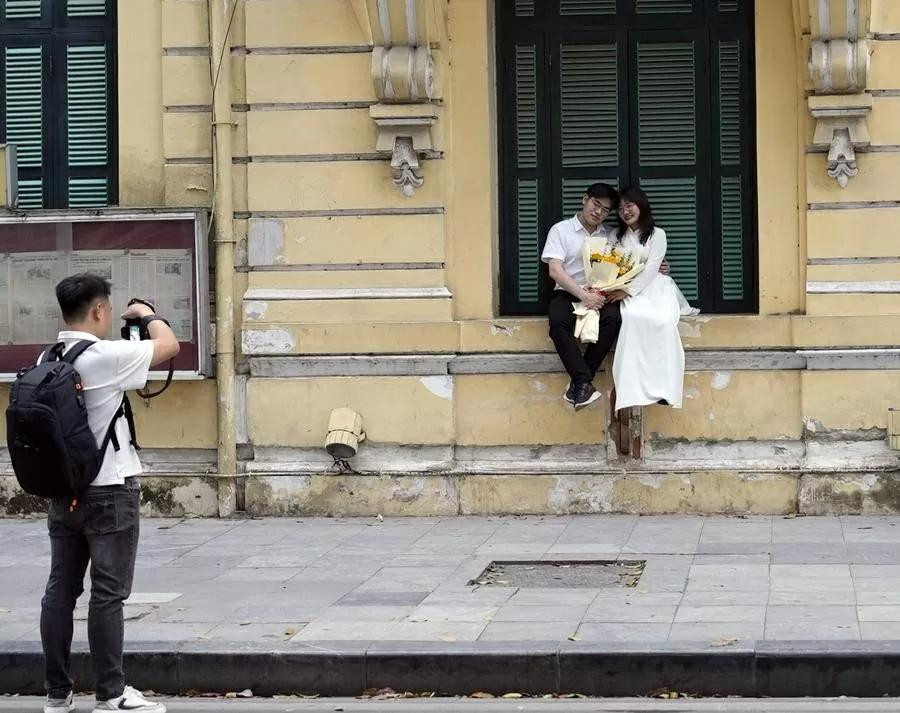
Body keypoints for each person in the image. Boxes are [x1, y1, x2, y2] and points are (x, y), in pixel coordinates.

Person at [40, 274, 179, 713]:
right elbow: (168, 346)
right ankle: (112, 693)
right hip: (109, 493)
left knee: (60, 591)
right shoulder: (103, 356)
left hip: (64, 495)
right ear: (99, 310)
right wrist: (147, 314)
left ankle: (57, 694)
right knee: (108, 594)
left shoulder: (49, 356)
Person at [605, 187, 697, 412]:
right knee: (633, 317)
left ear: (641, 205)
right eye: (620, 208)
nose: (625, 211)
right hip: (626, 288)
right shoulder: (614, 236)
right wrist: (622, 289)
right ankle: (633, 390)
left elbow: (653, 267)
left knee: (664, 321)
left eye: (630, 205)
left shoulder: (658, 234)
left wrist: (629, 291)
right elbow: (609, 264)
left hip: (655, 286)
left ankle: (665, 388)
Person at [542, 182, 622, 410]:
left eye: (606, 210)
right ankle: (583, 381)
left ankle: (580, 382)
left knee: (613, 319)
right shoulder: (561, 230)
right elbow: (555, 270)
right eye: (596, 204)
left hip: (599, 294)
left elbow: (627, 262)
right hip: (568, 291)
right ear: (584, 199)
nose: (599, 212)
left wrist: (658, 267)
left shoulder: (609, 235)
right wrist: (581, 295)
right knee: (558, 323)